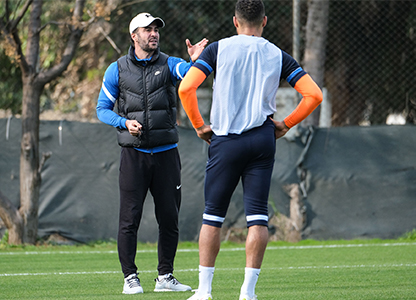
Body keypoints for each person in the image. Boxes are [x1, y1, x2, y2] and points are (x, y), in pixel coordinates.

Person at [177, 1, 323, 299]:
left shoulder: (218, 49)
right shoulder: (276, 53)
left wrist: (197, 125)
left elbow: (186, 89)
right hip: (261, 140)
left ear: (235, 21)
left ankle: (204, 291)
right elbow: (313, 95)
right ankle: (248, 292)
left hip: (225, 140)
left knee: (212, 217)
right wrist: (287, 123)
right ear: (264, 21)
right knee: (258, 217)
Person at [95, 12, 207, 295]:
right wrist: (124, 123)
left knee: (169, 218)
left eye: (156, 29)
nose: (154, 33)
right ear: (134, 36)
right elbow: (102, 110)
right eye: (147, 30)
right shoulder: (116, 70)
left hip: (167, 154)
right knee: (129, 219)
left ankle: (165, 277)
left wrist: (195, 62)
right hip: (134, 156)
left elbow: (189, 76)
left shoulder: (169, 64)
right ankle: (130, 277)